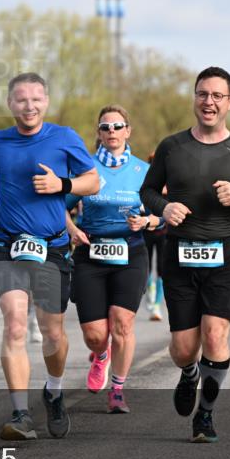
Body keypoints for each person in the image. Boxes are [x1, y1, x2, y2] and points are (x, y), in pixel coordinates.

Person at [140, 66, 230, 443]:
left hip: (226, 254)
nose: (209, 102)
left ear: (229, 102)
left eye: (217, 95)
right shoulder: (172, 147)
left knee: (215, 335)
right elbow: (147, 192)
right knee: (184, 348)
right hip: (179, 255)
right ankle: (188, 373)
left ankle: (206, 416)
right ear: (194, 98)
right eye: (203, 94)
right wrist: (164, 208)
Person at [0, 72, 99, 440]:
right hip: (8, 243)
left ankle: (54, 391)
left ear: (46, 101)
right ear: (10, 103)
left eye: (36, 99)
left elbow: (93, 180)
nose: (29, 106)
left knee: (53, 334)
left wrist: (63, 185)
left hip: (52, 246)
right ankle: (20, 413)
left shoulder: (64, 138)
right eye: (21, 100)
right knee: (13, 324)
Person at [65, 106, 159, 413]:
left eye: (118, 126)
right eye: (106, 127)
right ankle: (100, 355)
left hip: (131, 252)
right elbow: (59, 205)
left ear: (128, 131)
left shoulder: (144, 171)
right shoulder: (85, 168)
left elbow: (162, 212)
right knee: (95, 335)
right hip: (91, 253)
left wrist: (146, 222)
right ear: (99, 133)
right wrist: (73, 229)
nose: (112, 132)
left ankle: (117, 389)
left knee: (123, 322)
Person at [142, 152, 168, 322]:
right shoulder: (144, 180)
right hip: (146, 230)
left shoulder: (169, 179)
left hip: (164, 231)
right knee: (147, 267)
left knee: (161, 269)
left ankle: (157, 305)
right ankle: (149, 294)